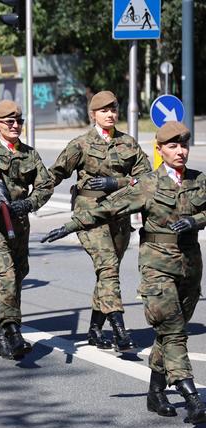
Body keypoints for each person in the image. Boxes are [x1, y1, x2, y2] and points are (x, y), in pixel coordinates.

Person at [42, 122, 206, 424]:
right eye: (172, 146)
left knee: (170, 333)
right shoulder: (147, 184)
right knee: (173, 331)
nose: (180, 151)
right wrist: (68, 225)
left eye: (184, 144)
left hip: (190, 268)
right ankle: (192, 397)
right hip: (157, 268)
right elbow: (105, 209)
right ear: (159, 150)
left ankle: (156, 393)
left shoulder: (199, 181)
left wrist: (196, 221)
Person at [48, 91, 151, 352]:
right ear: (93, 114)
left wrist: (117, 182)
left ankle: (95, 330)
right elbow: (54, 175)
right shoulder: (80, 144)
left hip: (120, 216)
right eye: (104, 110)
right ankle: (120, 330)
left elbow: (147, 179)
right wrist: (26, 200)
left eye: (113, 109)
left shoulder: (129, 143)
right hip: (89, 215)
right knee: (108, 269)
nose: (110, 114)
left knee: (108, 272)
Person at [0, 100, 53, 360]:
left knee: (16, 278)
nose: (15, 125)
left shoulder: (30, 154)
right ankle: (14, 330)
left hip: (20, 226)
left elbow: (46, 185)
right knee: (5, 276)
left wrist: (29, 203)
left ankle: (1, 334)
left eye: (19, 121)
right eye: (9, 121)